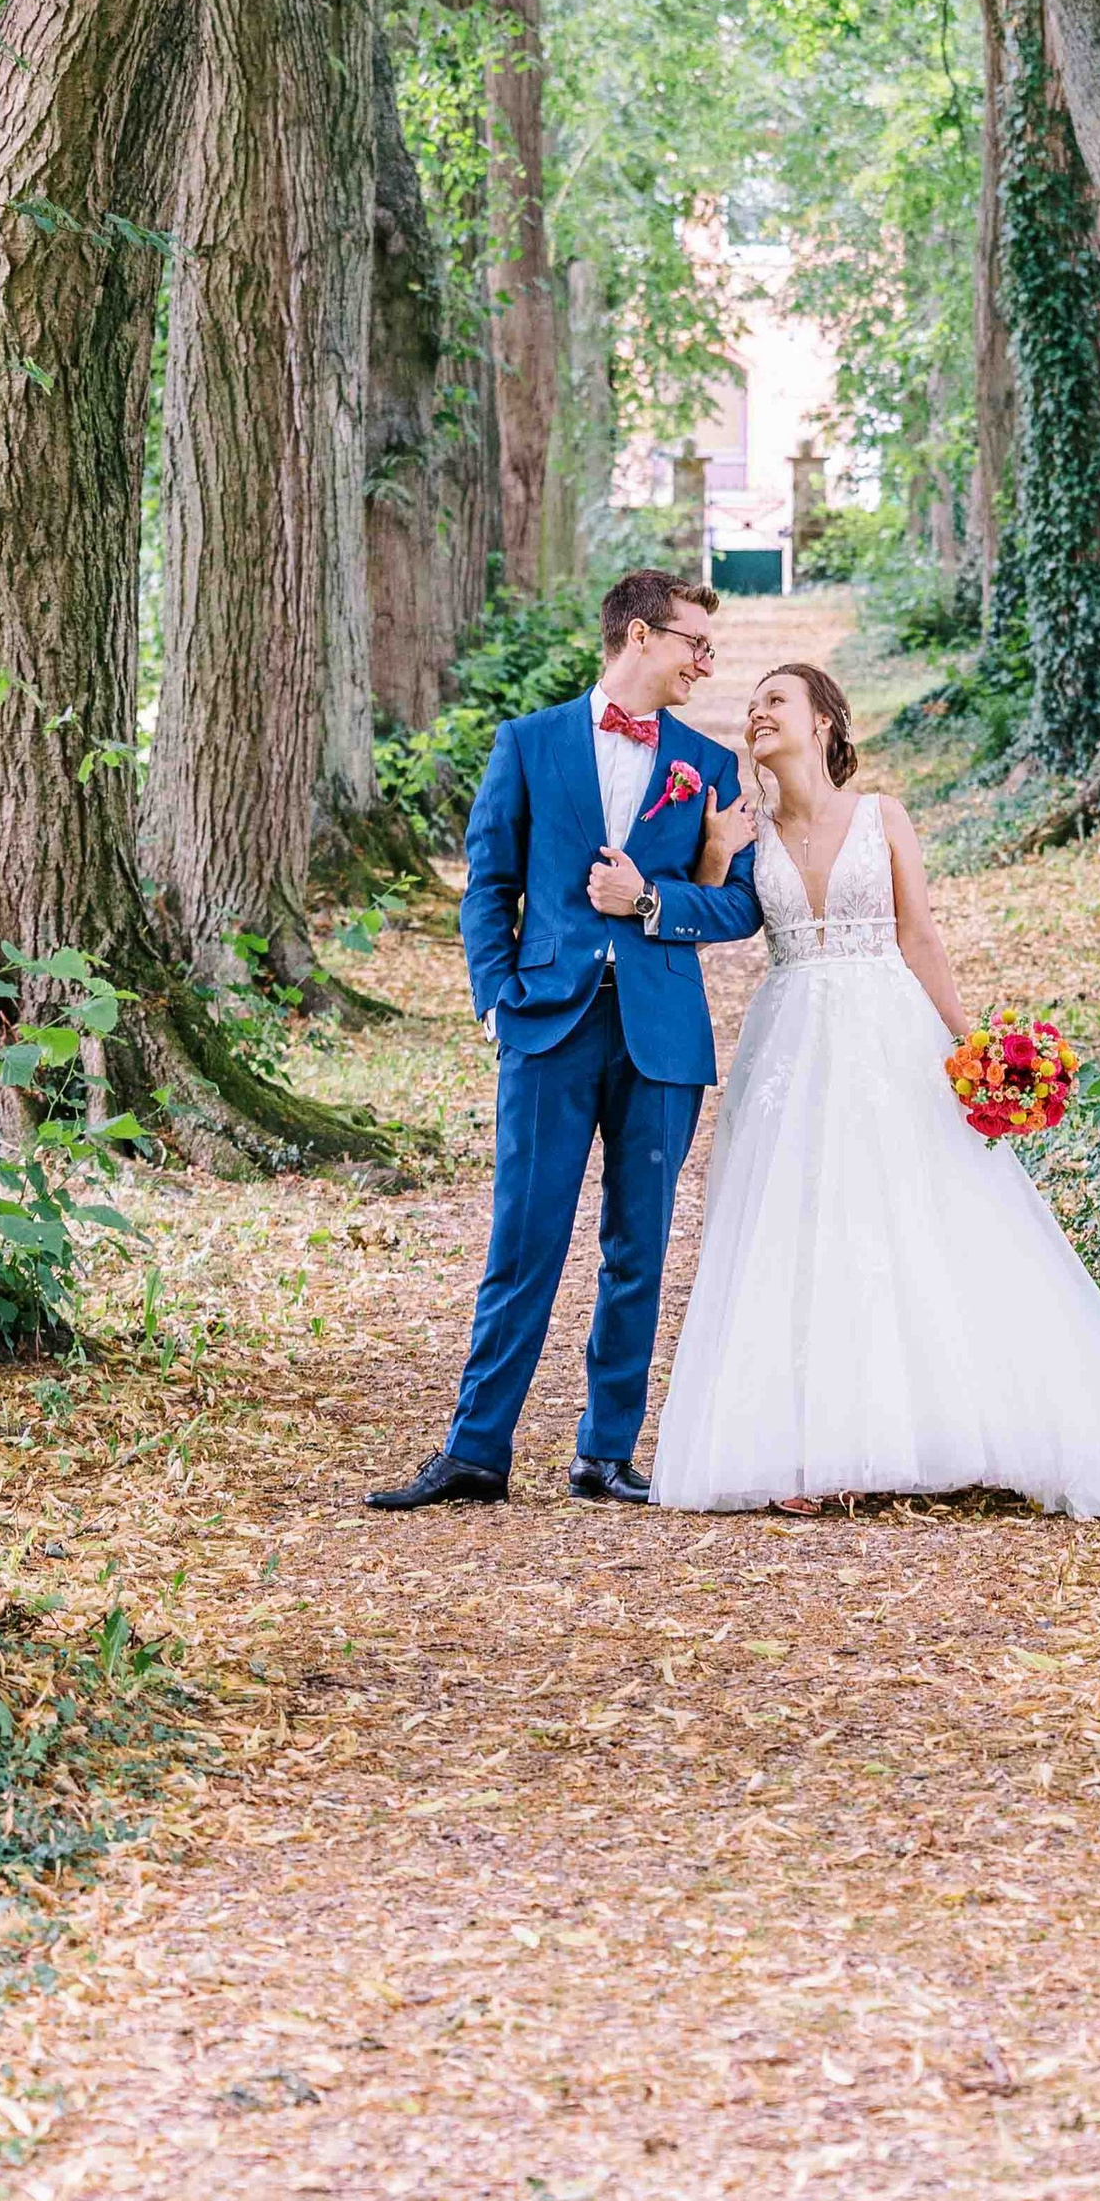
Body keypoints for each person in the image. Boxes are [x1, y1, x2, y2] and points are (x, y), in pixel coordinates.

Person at [648, 660, 1100, 1517]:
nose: (757, 713)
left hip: (887, 1030)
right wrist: (718, 849)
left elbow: (920, 937)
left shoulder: (883, 817)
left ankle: (966, 1421)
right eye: (751, 706)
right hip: (791, 1038)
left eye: (776, 700)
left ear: (825, 721)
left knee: (920, 1214)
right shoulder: (747, 830)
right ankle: (821, 1443)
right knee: (806, 1224)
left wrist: (968, 1047)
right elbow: (716, 922)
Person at [367, 571, 762, 1510]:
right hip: (547, 1025)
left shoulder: (707, 765)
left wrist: (655, 900)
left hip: (660, 1037)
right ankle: (476, 1450)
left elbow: (742, 903)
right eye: (692, 645)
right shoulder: (529, 744)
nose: (705, 665)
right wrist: (498, 999)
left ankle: (605, 1452)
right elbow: (486, 885)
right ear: (638, 635)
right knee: (525, 1238)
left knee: (640, 1248)